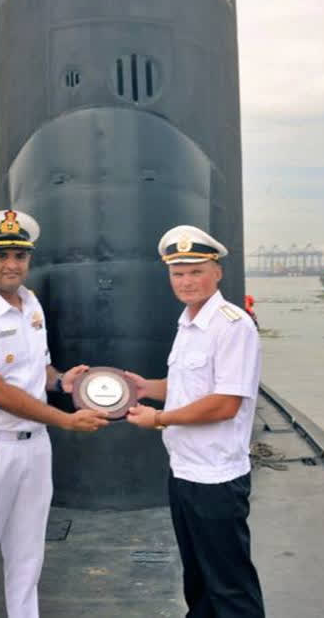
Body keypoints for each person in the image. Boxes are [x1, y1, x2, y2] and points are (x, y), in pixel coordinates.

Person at [0, 209, 109, 618]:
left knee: (27, 558)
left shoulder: (30, 304)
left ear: (28, 260)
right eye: (1, 256)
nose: (11, 264)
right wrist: (65, 420)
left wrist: (61, 382)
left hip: (33, 448)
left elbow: (38, 369)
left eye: (19, 256)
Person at [124, 224, 265, 617]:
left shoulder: (231, 324)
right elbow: (189, 385)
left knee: (230, 586)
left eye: (196, 271)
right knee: (198, 581)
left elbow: (224, 404)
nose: (186, 281)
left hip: (217, 478)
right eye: (178, 273)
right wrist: (145, 388)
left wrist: (159, 419)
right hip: (185, 471)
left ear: (217, 272)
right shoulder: (189, 323)